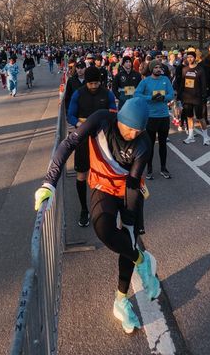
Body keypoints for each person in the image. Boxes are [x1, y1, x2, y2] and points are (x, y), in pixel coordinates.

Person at [34, 97, 160, 334]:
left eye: (138, 130)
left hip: (128, 189)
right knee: (103, 229)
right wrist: (49, 183)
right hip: (102, 185)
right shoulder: (102, 120)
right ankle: (142, 260)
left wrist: (131, 219)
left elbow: (133, 183)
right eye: (129, 128)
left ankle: (121, 300)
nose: (132, 134)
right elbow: (69, 143)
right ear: (120, 118)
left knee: (128, 238)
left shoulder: (143, 143)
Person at [67, 66, 117, 226]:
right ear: (86, 82)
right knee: (82, 175)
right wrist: (80, 123)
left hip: (103, 140)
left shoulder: (107, 93)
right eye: (91, 84)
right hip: (83, 139)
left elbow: (113, 111)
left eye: (96, 83)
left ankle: (105, 208)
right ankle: (84, 209)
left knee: (105, 174)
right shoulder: (79, 93)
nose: (94, 86)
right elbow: (70, 115)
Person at [135, 60, 174, 179]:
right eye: (156, 67)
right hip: (150, 117)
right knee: (150, 145)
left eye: (160, 67)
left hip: (163, 116)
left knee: (163, 144)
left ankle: (163, 168)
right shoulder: (146, 81)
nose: (158, 69)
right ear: (151, 69)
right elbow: (136, 94)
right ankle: (149, 169)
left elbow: (171, 94)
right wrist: (150, 97)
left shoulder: (165, 80)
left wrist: (164, 97)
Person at [177, 51, 210, 145]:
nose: (189, 59)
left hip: (197, 98)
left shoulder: (200, 69)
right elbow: (182, 83)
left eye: (191, 57)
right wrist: (180, 96)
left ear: (195, 58)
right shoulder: (184, 69)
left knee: (200, 118)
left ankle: (206, 138)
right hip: (187, 98)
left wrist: (204, 97)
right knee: (189, 117)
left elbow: (204, 84)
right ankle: (191, 136)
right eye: (188, 57)